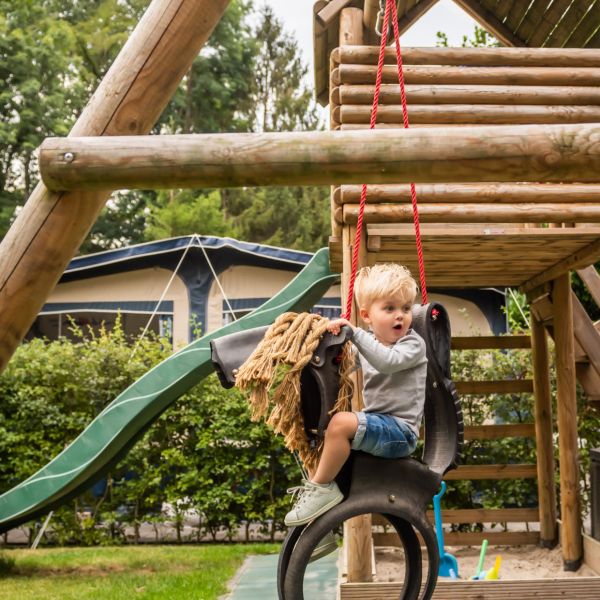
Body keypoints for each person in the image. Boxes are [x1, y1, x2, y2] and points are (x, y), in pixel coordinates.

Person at [284, 263, 428, 527]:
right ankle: (319, 528)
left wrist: (356, 334)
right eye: (390, 308)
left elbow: (387, 361)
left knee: (341, 424)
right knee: (322, 445)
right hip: (382, 427)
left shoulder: (413, 344)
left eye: (406, 308)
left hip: (401, 433)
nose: (400, 316)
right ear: (367, 315)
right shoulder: (370, 344)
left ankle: (321, 490)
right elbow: (344, 364)